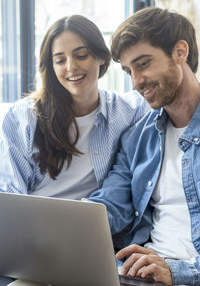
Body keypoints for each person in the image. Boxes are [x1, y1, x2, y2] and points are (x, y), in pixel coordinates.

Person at [0, 15, 148, 285]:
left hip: (88, 243)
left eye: (81, 55)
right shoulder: (23, 117)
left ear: (101, 57)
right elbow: (11, 195)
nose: (71, 67)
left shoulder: (131, 111)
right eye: (60, 60)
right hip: (32, 242)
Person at [89, 7, 200, 285]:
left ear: (180, 51)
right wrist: (64, 228)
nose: (137, 82)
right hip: (140, 273)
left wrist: (175, 272)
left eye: (143, 63)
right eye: (129, 70)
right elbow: (110, 204)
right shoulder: (139, 136)